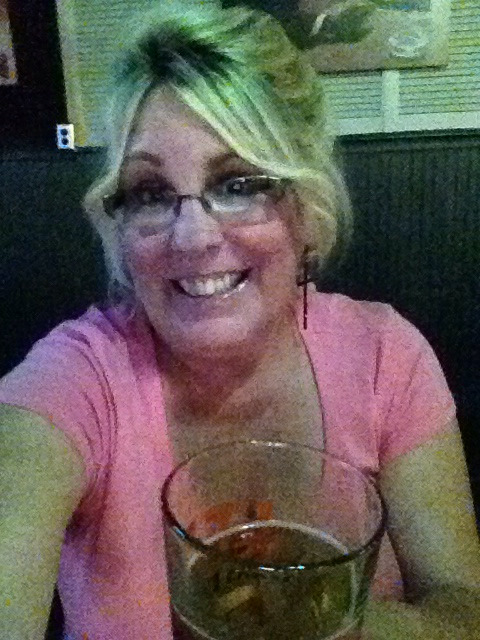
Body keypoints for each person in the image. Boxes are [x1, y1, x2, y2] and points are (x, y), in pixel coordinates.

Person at [0, 2, 479, 639]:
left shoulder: (386, 357)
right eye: (150, 192)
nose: (193, 237)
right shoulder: (76, 379)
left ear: (306, 207)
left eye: (238, 183)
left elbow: (463, 609)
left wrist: (311, 617)